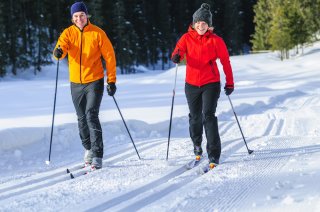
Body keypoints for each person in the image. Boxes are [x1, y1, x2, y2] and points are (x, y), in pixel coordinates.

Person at [53, 2, 116, 170]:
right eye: (75, 16)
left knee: (91, 115)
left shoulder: (97, 33)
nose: (79, 19)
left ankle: (98, 154)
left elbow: (109, 57)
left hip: (94, 81)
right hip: (76, 83)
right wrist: (58, 53)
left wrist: (111, 81)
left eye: (81, 15)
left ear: (87, 16)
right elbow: (61, 49)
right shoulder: (68, 33)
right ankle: (88, 148)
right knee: (81, 119)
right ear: (72, 18)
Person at [171, 3, 234, 169]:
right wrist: (177, 56)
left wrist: (230, 82)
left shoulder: (216, 41)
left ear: (209, 25)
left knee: (208, 116)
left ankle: (214, 153)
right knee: (195, 117)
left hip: (211, 83)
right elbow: (178, 52)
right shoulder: (186, 38)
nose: (201, 25)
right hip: (191, 84)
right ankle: (197, 144)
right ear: (194, 23)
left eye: (204, 23)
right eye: (198, 23)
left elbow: (226, 62)